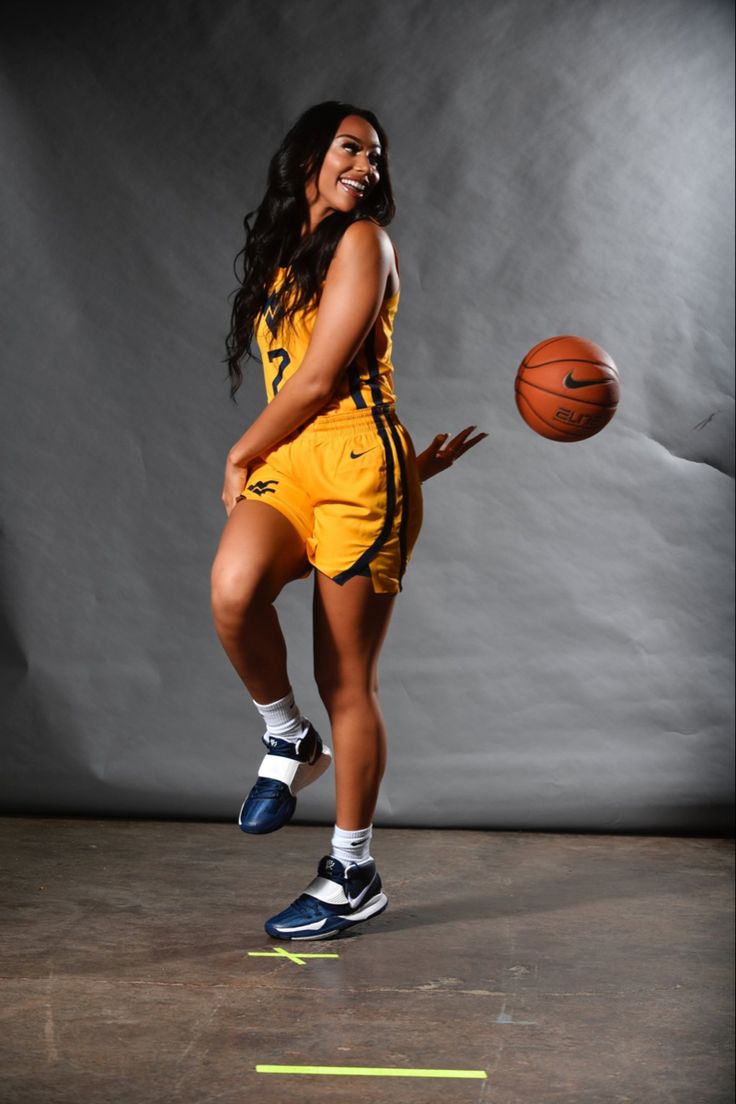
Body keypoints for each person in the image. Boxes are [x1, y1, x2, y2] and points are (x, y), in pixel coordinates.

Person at [211, 101, 485, 940]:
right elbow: (301, 389)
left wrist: (236, 455)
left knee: (348, 682)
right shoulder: (285, 256)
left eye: (376, 153)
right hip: (295, 462)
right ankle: (288, 739)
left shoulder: (367, 241)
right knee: (233, 591)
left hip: (357, 467)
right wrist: (267, 455)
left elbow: (320, 381)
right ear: (307, 157)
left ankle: (350, 869)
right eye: (351, 146)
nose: (368, 163)